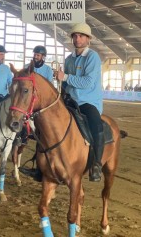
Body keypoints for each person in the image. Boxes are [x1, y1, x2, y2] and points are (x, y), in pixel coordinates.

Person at [56, 23, 104, 182]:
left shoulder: (93, 57)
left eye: (81, 36)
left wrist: (66, 78)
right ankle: (40, 163)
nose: (77, 39)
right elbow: (67, 84)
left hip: (88, 102)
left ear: (88, 39)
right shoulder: (69, 59)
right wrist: (59, 81)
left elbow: (88, 83)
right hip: (70, 101)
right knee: (48, 123)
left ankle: (96, 164)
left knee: (96, 126)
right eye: (75, 36)